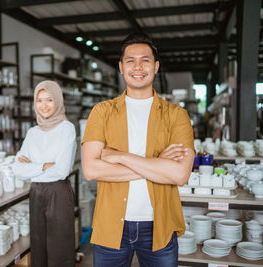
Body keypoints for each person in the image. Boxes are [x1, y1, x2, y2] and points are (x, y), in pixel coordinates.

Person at [81, 32, 195, 266]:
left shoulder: (177, 115)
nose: (138, 67)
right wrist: (157, 163)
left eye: (145, 60)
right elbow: (91, 170)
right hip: (111, 224)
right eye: (130, 61)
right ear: (121, 67)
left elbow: (179, 174)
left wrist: (119, 156)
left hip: (159, 225)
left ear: (156, 66)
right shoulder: (101, 112)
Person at [12, 80, 76, 267]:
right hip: (36, 193)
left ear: (58, 101)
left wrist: (32, 165)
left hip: (58, 193)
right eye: (39, 100)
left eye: (49, 99)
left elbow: (62, 170)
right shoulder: (33, 133)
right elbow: (17, 169)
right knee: (38, 248)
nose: (44, 105)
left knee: (59, 250)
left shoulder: (67, 128)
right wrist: (43, 166)